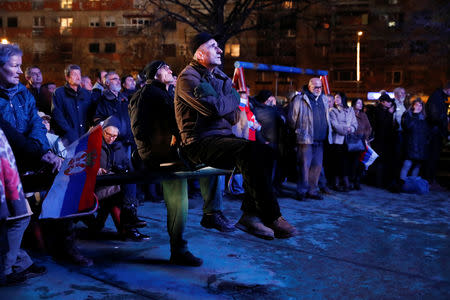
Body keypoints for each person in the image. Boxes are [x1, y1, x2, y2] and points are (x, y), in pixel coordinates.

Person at [174, 32, 297, 240]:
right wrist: (231, 98)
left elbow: (232, 115)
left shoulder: (218, 77)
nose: (220, 50)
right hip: (198, 142)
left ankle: (250, 216)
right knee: (250, 150)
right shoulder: (189, 77)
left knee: (266, 152)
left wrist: (226, 100)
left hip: (222, 140)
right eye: (213, 46)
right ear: (199, 53)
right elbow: (213, 109)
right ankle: (271, 215)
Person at [129, 60, 234, 266]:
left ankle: (205, 219)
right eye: (164, 67)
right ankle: (198, 228)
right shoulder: (146, 94)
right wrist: (166, 142)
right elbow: (140, 129)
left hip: (171, 153)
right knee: (179, 202)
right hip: (161, 155)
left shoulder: (166, 93)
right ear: (154, 74)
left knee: (185, 195)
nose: (170, 69)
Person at [94, 71, 143, 230]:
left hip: (127, 143)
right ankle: (128, 218)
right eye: (113, 79)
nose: (117, 81)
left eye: (117, 78)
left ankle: (128, 217)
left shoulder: (123, 99)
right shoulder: (102, 101)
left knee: (128, 178)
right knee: (122, 179)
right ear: (106, 83)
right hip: (113, 146)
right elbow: (98, 122)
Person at [0, 128, 47, 286]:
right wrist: (41, 153)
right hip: (7, 171)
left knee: (19, 217)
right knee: (18, 219)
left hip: (9, 168)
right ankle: (5, 270)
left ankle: (20, 263)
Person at [94, 119, 149, 241]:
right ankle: (130, 223)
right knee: (124, 190)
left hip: (111, 183)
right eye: (108, 134)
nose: (111, 138)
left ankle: (128, 225)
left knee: (125, 187)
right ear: (103, 131)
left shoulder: (118, 147)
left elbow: (125, 166)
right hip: (98, 185)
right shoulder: (95, 145)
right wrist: (97, 169)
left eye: (114, 136)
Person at [288, 78, 332, 200]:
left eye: (320, 87)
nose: (318, 89)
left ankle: (312, 191)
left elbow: (326, 117)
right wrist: (299, 132)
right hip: (305, 138)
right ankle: (301, 191)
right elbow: (292, 119)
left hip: (320, 139)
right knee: (304, 166)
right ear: (309, 87)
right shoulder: (299, 99)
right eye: (315, 87)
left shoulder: (323, 99)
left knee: (317, 166)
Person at [51, 64, 95, 147]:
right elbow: (57, 115)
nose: (78, 77)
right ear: (67, 77)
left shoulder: (86, 94)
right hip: (67, 139)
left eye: (79, 74)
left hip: (85, 137)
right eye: (75, 74)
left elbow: (91, 114)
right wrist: (69, 133)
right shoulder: (59, 93)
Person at [329, 92, 358, 192]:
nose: (336, 100)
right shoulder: (332, 110)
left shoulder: (350, 110)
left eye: (338, 98)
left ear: (343, 99)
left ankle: (345, 181)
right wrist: (346, 129)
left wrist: (352, 129)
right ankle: (337, 183)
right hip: (337, 140)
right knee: (337, 162)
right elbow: (335, 125)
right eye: (335, 98)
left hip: (348, 140)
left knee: (346, 162)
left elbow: (355, 123)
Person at [424, 82, 450, 189]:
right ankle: (429, 181)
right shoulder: (437, 97)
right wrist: (445, 119)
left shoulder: (439, 97)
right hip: (434, 133)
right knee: (432, 157)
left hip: (436, 132)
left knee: (434, 157)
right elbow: (435, 116)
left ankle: (430, 180)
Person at [369, 93, 396, 188]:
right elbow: (382, 125)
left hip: (386, 140)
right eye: (387, 101)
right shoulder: (378, 111)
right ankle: (378, 182)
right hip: (380, 140)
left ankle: (382, 181)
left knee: (384, 162)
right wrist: (389, 114)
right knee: (379, 161)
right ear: (382, 102)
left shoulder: (386, 110)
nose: (389, 103)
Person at [400, 98, 429, 182]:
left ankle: (412, 184)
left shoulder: (423, 118)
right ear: (412, 106)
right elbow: (407, 127)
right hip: (410, 144)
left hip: (420, 146)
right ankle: (402, 183)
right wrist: (415, 114)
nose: (419, 107)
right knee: (407, 164)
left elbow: (426, 132)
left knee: (417, 165)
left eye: (420, 105)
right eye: (417, 105)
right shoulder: (407, 115)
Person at [350, 98, 372, 190]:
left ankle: (357, 180)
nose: (360, 104)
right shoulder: (350, 114)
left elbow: (369, 127)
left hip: (363, 141)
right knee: (352, 162)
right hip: (352, 141)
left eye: (361, 103)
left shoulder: (363, 115)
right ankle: (351, 180)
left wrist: (365, 136)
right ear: (354, 103)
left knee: (361, 162)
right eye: (358, 103)